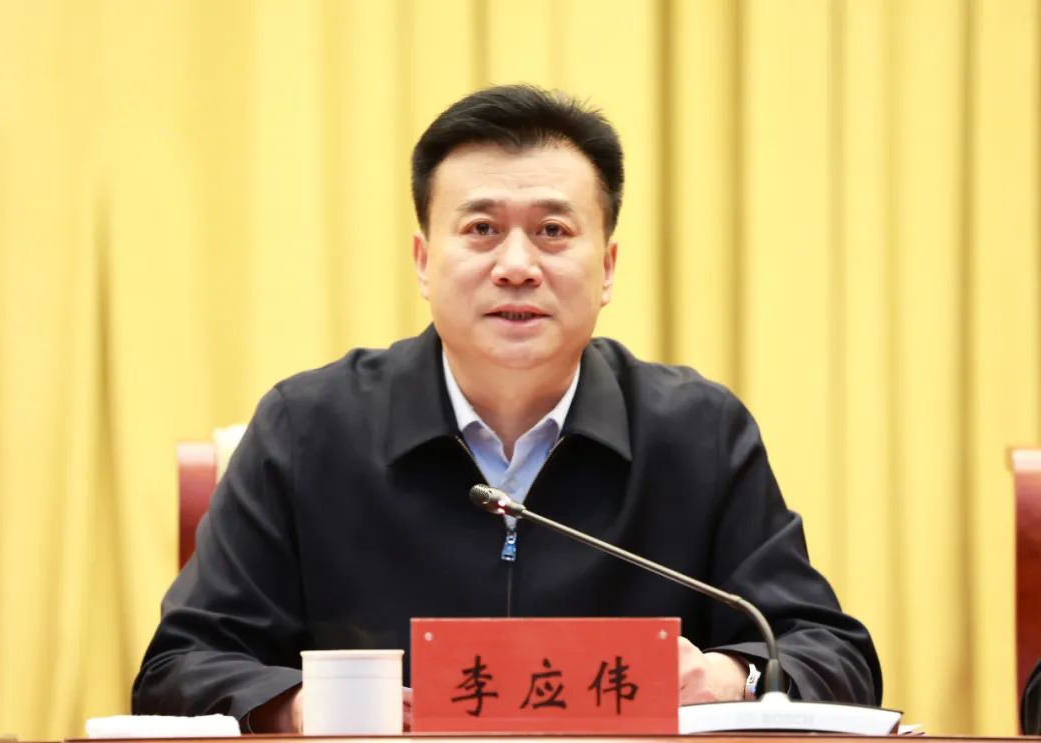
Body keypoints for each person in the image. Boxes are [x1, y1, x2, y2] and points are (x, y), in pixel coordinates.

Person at [132, 84, 882, 731]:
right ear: (424, 262)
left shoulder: (697, 432)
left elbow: (831, 654)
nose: (517, 266)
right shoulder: (308, 427)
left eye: (553, 231)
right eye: (481, 229)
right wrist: (307, 706)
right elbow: (179, 667)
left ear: (607, 267)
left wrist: (728, 676)